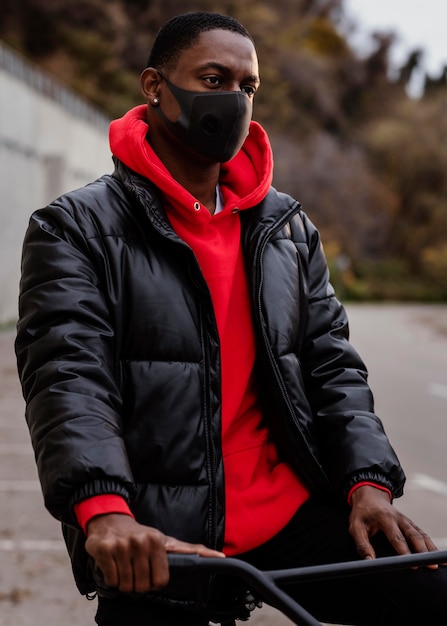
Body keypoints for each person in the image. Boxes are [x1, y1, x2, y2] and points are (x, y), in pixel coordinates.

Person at [15, 11, 446, 626]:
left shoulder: (286, 229)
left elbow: (333, 366)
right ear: (154, 87)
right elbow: (68, 378)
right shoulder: (74, 229)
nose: (235, 100)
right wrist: (104, 511)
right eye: (213, 79)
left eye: (248, 87)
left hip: (291, 515)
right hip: (160, 535)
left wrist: (367, 484)